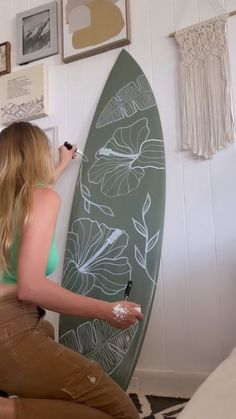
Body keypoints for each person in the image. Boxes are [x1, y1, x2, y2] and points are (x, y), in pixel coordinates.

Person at [0, 121, 143, 419]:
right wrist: (109, 310)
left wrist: (62, 164)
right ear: (39, 155)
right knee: (123, 414)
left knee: (48, 331)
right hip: (10, 332)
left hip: (12, 327)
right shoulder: (41, 199)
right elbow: (31, 287)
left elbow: (35, 194)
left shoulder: (11, 203)